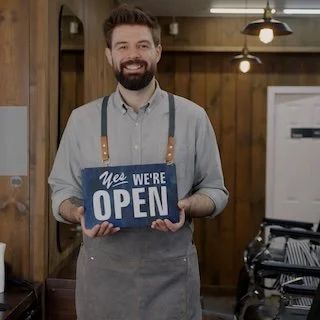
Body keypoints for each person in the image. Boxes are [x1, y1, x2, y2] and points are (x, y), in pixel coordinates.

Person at [48, 4, 228, 320]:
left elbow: (216, 192)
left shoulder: (193, 117)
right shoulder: (82, 120)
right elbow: (61, 192)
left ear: (157, 51)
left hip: (172, 277)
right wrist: (79, 213)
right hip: (102, 280)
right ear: (109, 55)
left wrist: (185, 206)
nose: (134, 54)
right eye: (123, 46)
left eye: (143, 45)